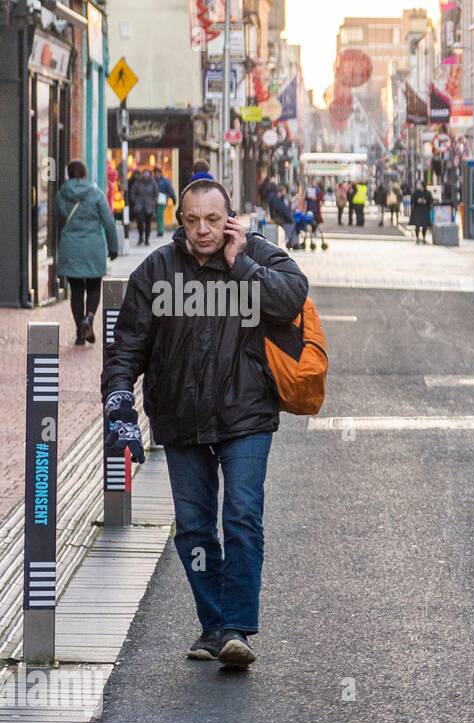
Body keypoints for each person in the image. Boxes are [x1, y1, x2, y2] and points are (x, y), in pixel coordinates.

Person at [102, 178, 309, 668]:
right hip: (180, 417)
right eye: (192, 220)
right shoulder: (157, 269)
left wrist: (242, 264)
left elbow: (290, 299)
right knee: (194, 528)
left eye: (213, 220)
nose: (202, 230)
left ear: (230, 218)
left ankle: (237, 627)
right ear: (180, 221)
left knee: (240, 517)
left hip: (247, 413)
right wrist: (119, 406)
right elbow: (127, 345)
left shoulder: (258, 255)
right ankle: (214, 624)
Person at [56, 160, 120, 345]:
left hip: (71, 248)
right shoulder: (96, 193)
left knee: (76, 291)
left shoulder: (62, 194)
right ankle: (89, 318)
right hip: (93, 248)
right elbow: (108, 222)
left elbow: (58, 219)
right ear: (84, 174)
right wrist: (113, 247)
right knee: (93, 288)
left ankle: (79, 332)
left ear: (69, 174)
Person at [128, 167, 158, 245]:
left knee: (148, 224)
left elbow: (156, 194)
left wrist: (153, 202)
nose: (146, 176)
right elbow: (132, 193)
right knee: (140, 222)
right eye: (145, 174)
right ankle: (141, 237)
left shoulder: (152, 183)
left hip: (149, 206)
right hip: (139, 206)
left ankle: (147, 239)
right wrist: (135, 201)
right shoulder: (137, 183)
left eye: (147, 174)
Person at [153, 166, 177, 237]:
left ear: (160, 173)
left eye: (158, 172)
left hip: (162, 200)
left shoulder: (165, 181)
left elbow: (170, 190)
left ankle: (160, 230)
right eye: (156, 172)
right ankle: (159, 229)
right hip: (154, 200)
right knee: (157, 215)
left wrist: (174, 199)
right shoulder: (153, 180)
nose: (157, 174)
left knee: (159, 215)